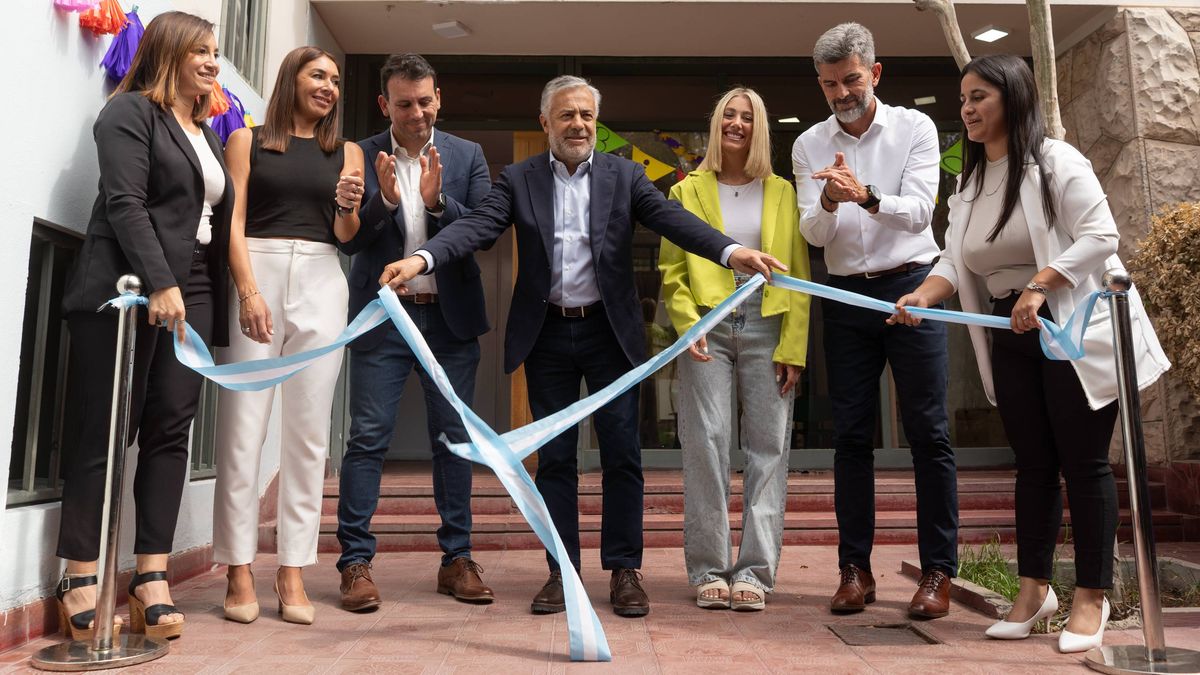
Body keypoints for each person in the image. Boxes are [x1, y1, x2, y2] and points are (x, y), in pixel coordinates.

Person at [379, 75, 786, 618]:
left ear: (598, 123)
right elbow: (476, 227)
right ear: (546, 122)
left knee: (622, 456)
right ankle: (562, 572)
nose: (579, 125)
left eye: (587, 116)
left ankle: (624, 572)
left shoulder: (625, 175)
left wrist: (732, 252)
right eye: (567, 115)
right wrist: (422, 258)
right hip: (546, 333)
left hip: (609, 333)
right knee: (556, 462)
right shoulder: (519, 180)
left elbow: (675, 221)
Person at [891, 54, 1169, 652]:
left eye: (979, 96)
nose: (966, 108)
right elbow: (953, 260)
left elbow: (1101, 236)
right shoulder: (967, 182)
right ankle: (1033, 590)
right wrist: (920, 295)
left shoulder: (1056, 161)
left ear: (1013, 98)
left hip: (1072, 325)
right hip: (1007, 329)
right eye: (963, 98)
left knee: (1085, 463)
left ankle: (1091, 597)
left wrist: (1042, 285)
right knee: (1035, 466)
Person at [55, 10, 231, 641]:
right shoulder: (129, 113)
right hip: (129, 288)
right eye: (202, 51)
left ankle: (150, 575)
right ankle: (79, 574)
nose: (214, 62)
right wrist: (161, 282)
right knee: (106, 430)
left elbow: (205, 218)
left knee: (169, 430)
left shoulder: (206, 132)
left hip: (197, 289)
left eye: (217, 52)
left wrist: (197, 289)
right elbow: (126, 202)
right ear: (167, 52)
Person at [791, 22, 958, 619]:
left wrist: (864, 195)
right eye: (830, 83)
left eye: (851, 79)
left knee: (928, 434)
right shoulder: (808, 144)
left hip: (913, 286)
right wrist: (831, 201)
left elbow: (919, 214)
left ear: (875, 73)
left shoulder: (915, 127)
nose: (842, 92)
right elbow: (812, 232)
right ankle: (854, 571)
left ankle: (938, 571)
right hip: (844, 296)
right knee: (851, 439)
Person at [335, 53, 494, 612]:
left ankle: (457, 559)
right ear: (385, 105)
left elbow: (482, 232)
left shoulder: (466, 155)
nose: (418, 112)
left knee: (453, 439)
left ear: (438, 97)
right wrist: (384, 203)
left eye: (426, 101)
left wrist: (437, 203)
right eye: (405, 103)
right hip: (384, 319)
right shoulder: (360, 152)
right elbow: (350, 242)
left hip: (448, 321)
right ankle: (355, 562)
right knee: (368, 438)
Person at [213, 46, 365, 626]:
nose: (328, 86)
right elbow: (234, 219)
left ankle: (294, 569)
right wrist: (248, 290)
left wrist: (349, 207)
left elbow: (346, 234)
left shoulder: (345, 151)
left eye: (334, 79)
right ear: (291, 80)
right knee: (242, 426)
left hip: (325, 276)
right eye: (317, 75)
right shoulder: (247, 139)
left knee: (308, 434)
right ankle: (238, 568)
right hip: (259, 267)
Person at [659, 87, 811, 611]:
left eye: (748, 117)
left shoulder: (783, 192)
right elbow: (671, 272)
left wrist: (794, 345)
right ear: (716, 122)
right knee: (706, 448)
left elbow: (799, 274)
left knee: (769, 450)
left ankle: (755, 573)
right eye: (729, 114)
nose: (737, 124)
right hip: (707, 328)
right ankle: (708, 571)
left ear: (759, 127)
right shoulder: (686, 191)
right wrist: (686, 324)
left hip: (770, 329)